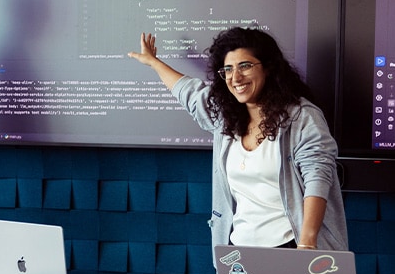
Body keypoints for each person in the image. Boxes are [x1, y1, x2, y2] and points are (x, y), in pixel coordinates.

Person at [129, 27, 346, 251]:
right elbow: (189, 92)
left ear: (269, 68)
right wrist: (154, 63)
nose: (236, 77)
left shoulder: (302, 117)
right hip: (238, 248)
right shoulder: (225, 118)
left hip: (291, 245)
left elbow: (317, 179)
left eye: (245, 66)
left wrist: (307, 244)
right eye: (228, 70)